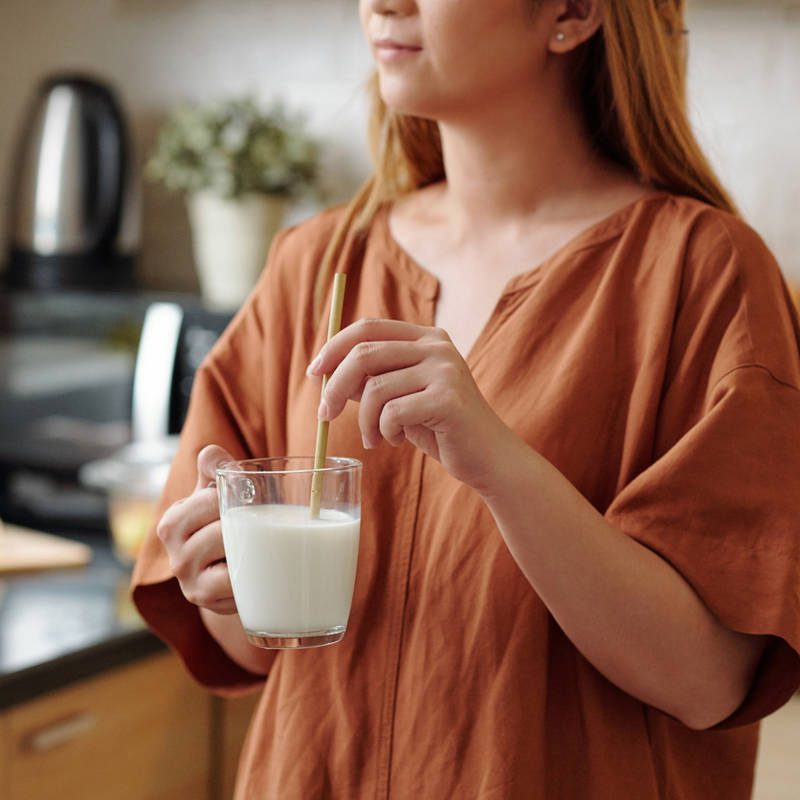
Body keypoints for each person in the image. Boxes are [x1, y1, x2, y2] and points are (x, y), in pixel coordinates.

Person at [132, 0, 800, 797]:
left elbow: (710, 681)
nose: (383, 3)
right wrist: (221, 583)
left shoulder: (706, 273)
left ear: (574, 12)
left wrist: (501, 466)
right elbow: (244, 648)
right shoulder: (313, 263)